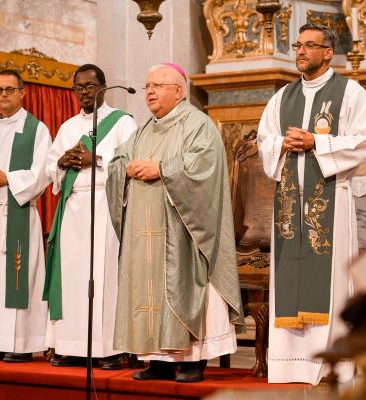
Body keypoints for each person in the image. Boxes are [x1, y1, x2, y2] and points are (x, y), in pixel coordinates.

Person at [106, 63, 244, 383]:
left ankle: (195, 360)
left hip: (185, 233)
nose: (150, 92)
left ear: (178, 91)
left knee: (189, 286)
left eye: (157, 85)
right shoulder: (144, 129)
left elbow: (204, 168)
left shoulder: (198, 124)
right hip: (145, 230)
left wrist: (163, 169)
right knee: (149, 290)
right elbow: (118, 160)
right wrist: (123, 169)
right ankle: (160, 361)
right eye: (147, 86)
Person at [257, 23, 366, 385]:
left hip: (332, 201)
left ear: (327, 52)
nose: (300, 52)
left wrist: (316, 144)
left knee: (330, 278)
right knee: (289, 272)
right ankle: (291, 363)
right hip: (289, 205)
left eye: (309, 46)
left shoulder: (350, 93)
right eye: (297, 45)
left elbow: (362, 139)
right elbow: (265, 139)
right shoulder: (282, 97)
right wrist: (281, 145)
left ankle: (330, 363)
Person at [44, 64, 137, 368]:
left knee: (104, 277)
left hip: (105, 207)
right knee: (72, 278)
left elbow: (131, 163)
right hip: (74, 209)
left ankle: (107, 349)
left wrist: (94, 158)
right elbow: (50, 170)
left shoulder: (123, 123)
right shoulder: (68, 127)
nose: (83, 92)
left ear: (103, 87)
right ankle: (71, 346)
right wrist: (62, 161)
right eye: (78, 87)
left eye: (89, 86)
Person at [0, 69, 51, 362]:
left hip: (18, 213)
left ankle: (20, 344)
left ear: (22, 92)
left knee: (19, 278)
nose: (3, 94)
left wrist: (7, 178)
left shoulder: (36, 129)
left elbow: (43, 172)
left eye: (9, 89)